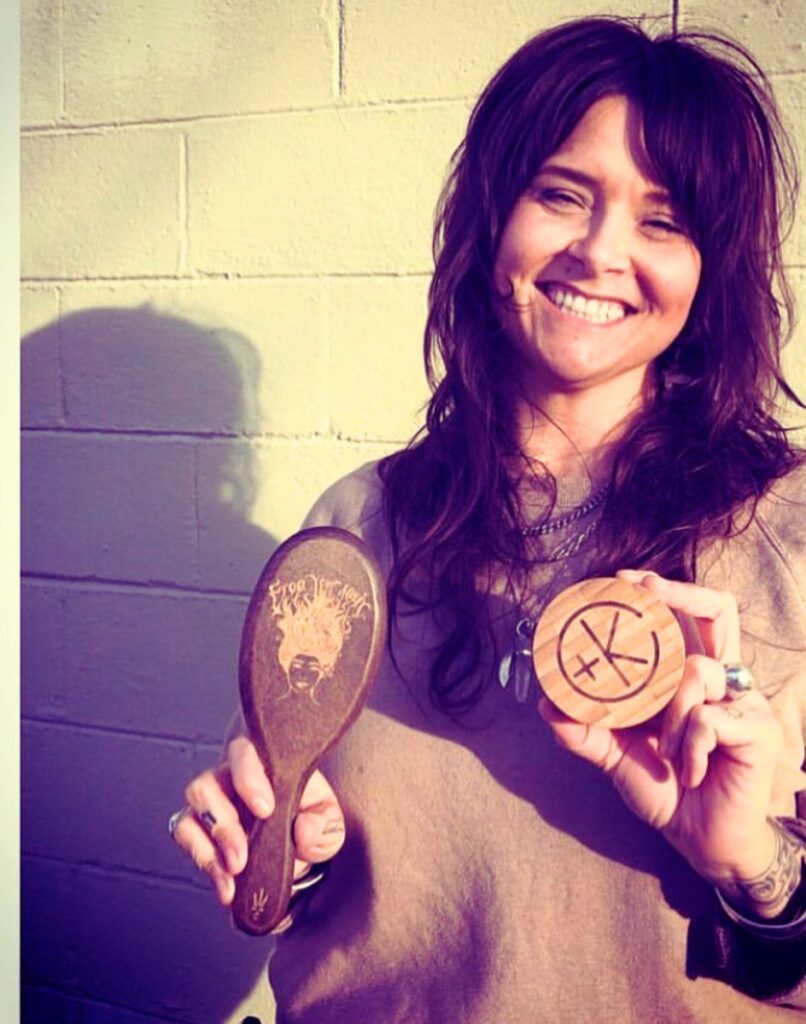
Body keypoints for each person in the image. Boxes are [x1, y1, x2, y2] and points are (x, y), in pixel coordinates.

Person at [169, 16, 806, 1021]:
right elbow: (320, 895)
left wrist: (757, 873)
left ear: (709, 265)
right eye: (560, 194)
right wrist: (283, 858)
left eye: (663, 217)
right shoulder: (354, 524)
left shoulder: (789, 529)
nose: (599, 251)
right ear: (489, 215)